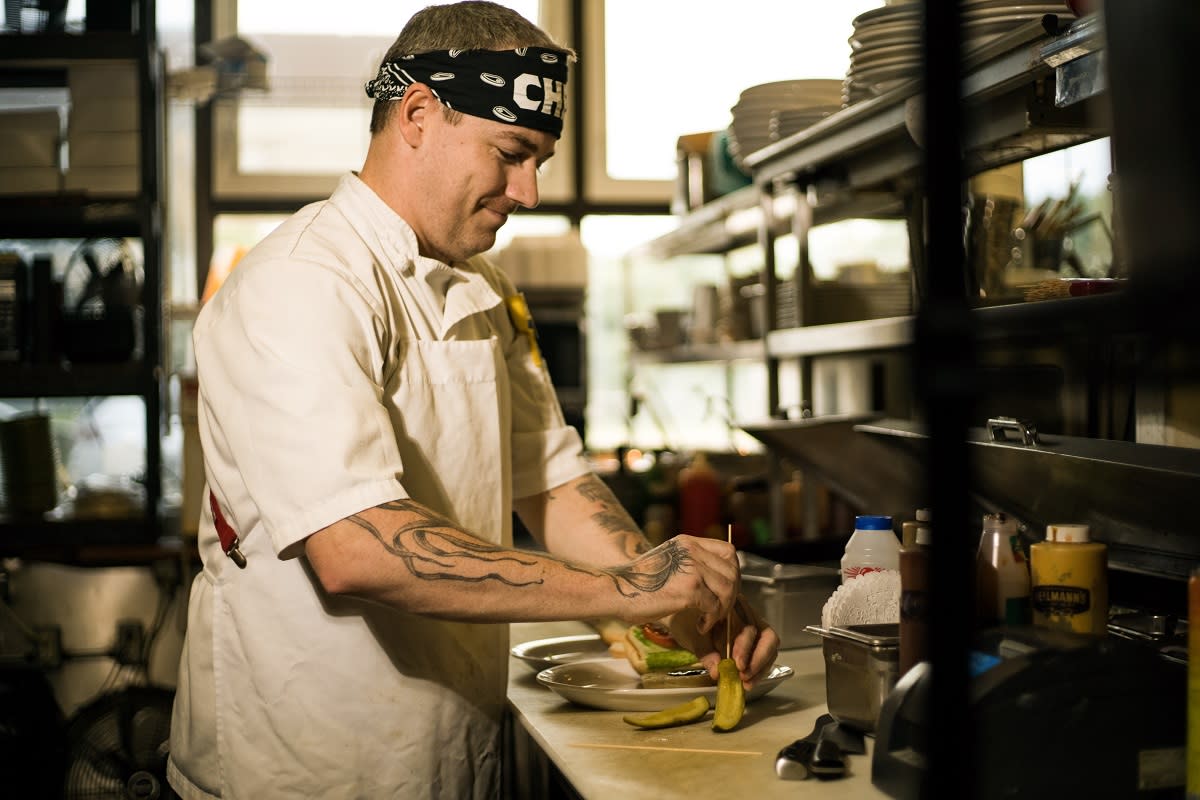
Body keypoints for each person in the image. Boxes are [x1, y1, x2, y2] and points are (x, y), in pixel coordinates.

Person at [166, 3, 779, 798]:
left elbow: (551, 482)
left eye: (540, 161)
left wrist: (676, 602)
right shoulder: (301, 282)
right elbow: (354, 547)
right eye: (511, 153)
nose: (529, 191)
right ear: (419, 114)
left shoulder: (485, 289)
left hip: (452, 747)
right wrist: (625, 591)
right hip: (305, 764)